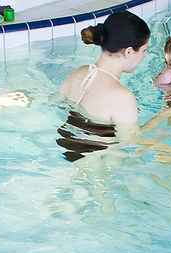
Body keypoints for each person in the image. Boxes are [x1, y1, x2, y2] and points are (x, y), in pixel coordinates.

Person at [56, 11, 151, 160]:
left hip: (63, 152)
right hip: (96, 170)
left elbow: (56, 104)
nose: (145, 55)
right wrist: (164, 116)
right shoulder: (123, 97)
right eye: (144, 50)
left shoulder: (78, 73)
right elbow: (132, 145)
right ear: (129, 51)